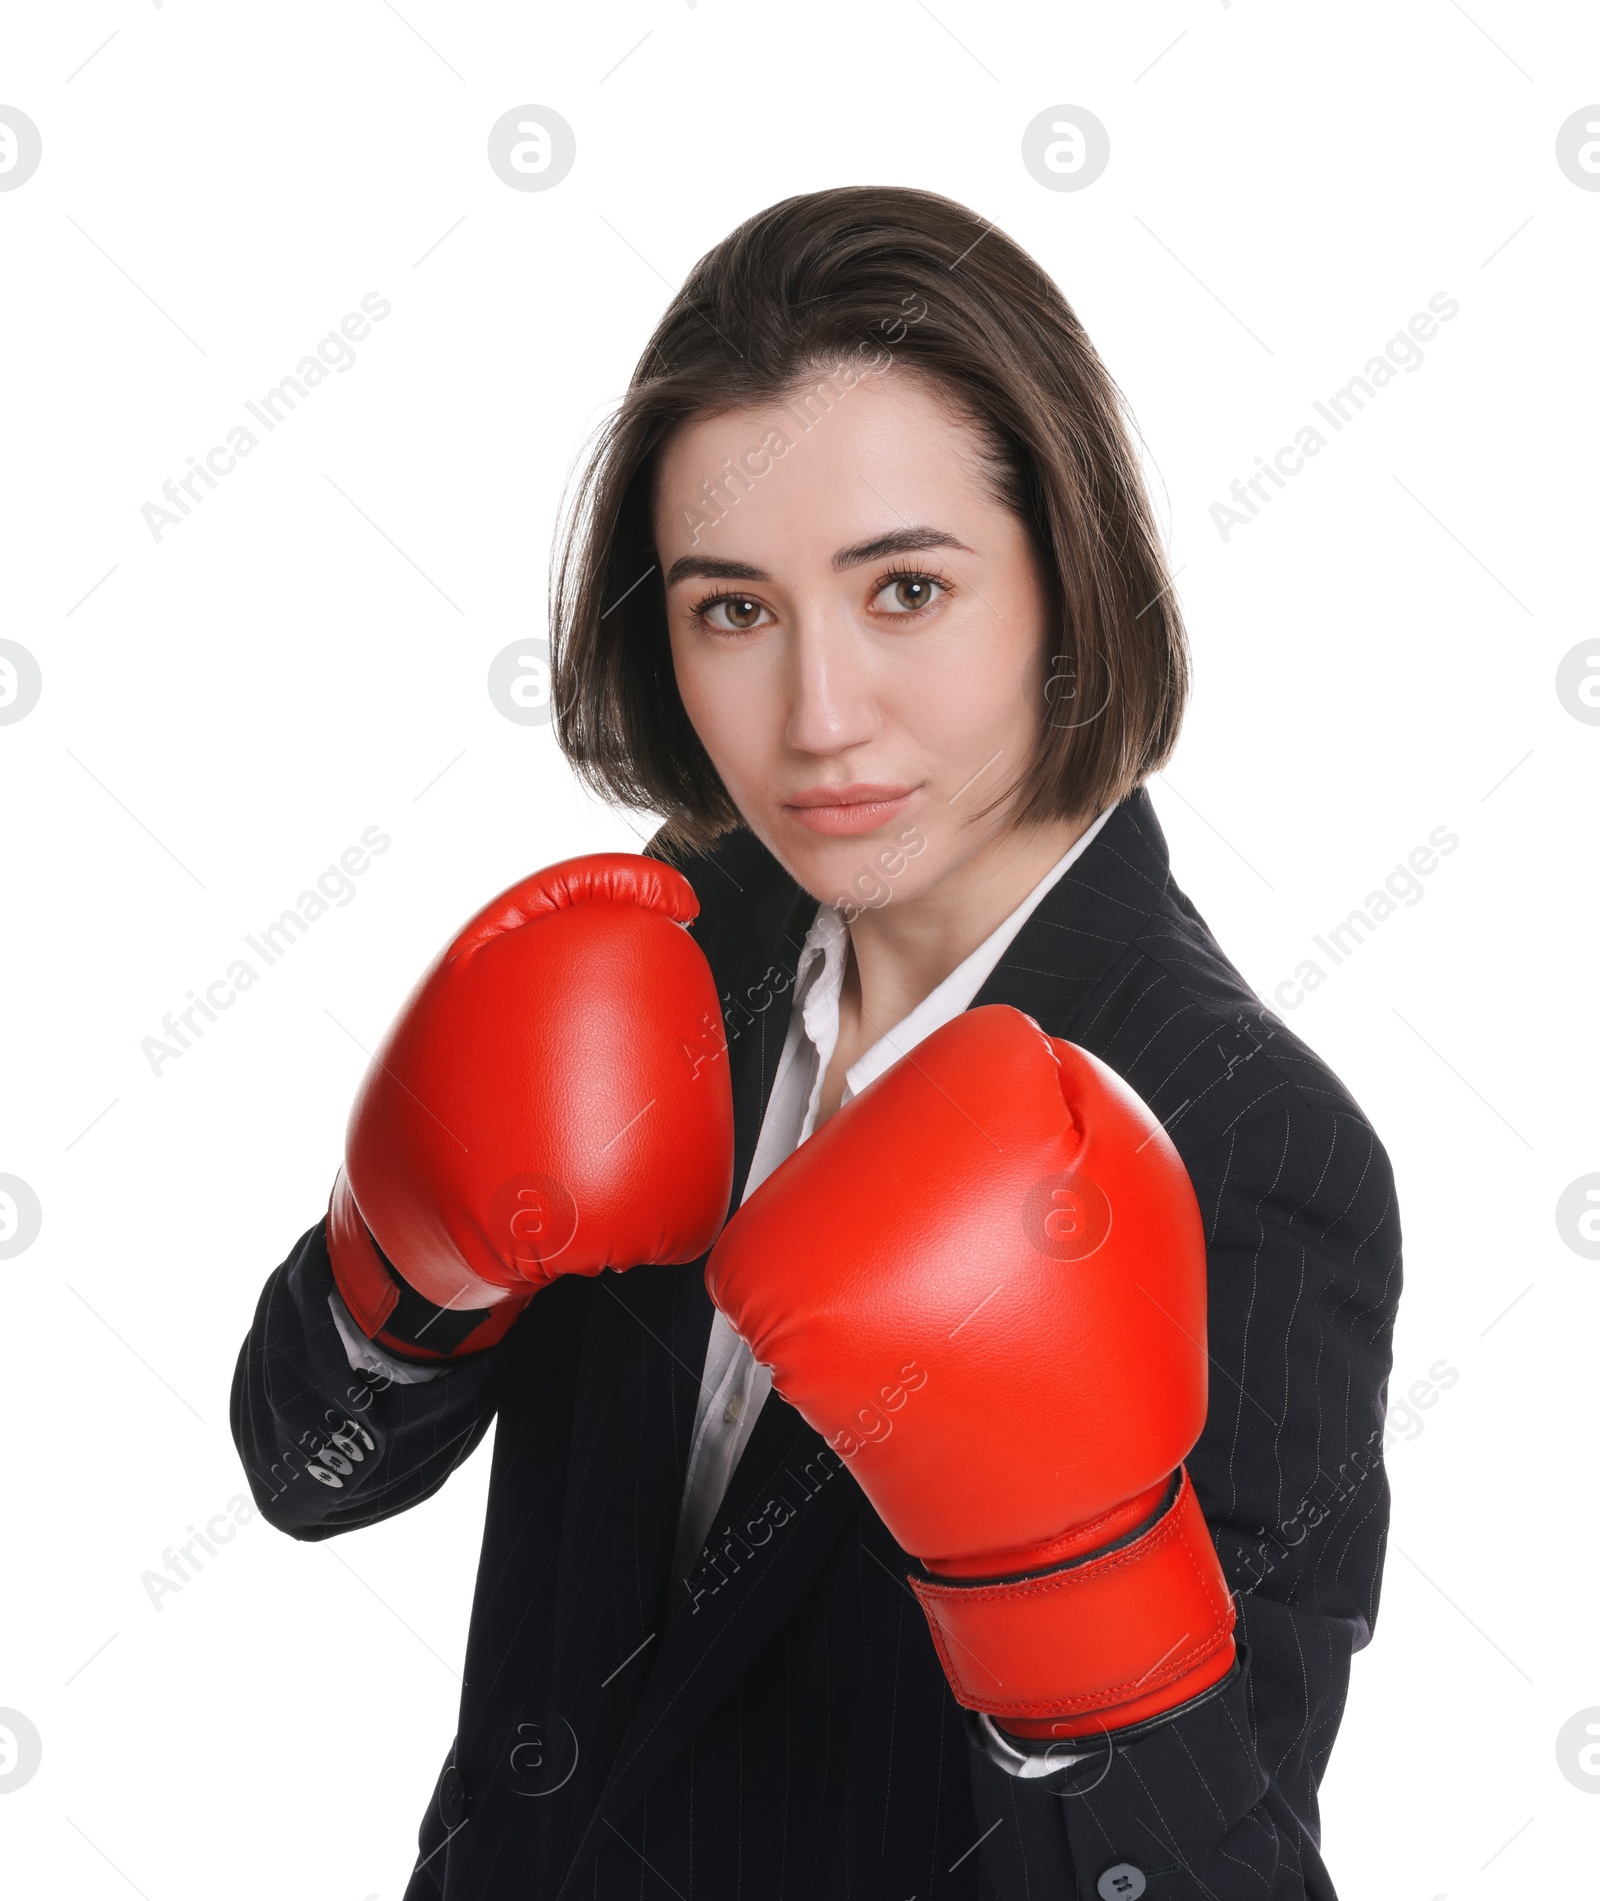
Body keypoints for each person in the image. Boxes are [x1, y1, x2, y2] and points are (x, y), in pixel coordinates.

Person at [231, 186, 1401, 1899]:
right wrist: (399, 1261)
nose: (819, 717)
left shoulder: (1249, 1140)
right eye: (734, 609)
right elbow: (301, 1472)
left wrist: (1070, 1611)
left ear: (1065, 582)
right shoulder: (673, 943)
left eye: (905, 589)